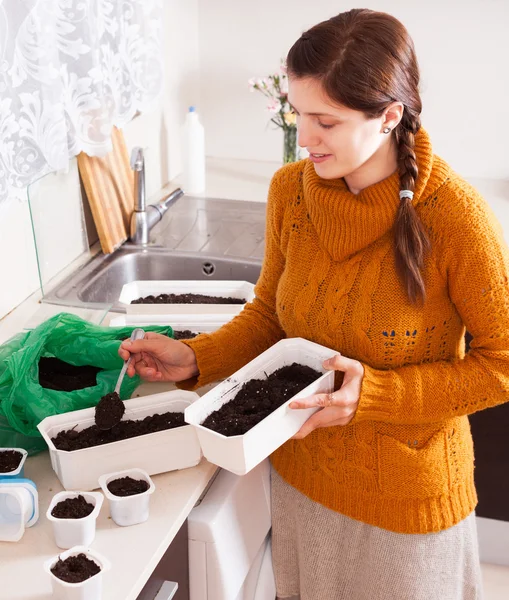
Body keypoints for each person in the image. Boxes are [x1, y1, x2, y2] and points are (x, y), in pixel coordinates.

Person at [119, 9, 509, 600]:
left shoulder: (456, 219)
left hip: (403, 506)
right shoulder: (289, 192)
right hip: (300, 482)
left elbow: (502, 363)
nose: (304, 138)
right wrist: (196, 358)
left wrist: (372, 397)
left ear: (389, 116)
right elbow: (271, 316)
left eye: (325, 121)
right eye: (297, 114)